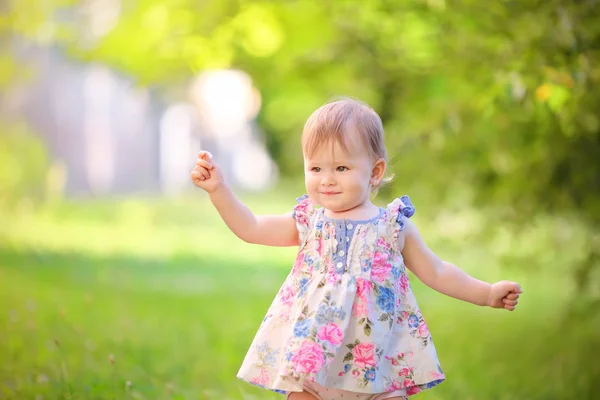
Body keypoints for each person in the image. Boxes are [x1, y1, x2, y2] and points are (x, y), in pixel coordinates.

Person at [191, 98, 523, 400]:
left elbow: (436, 271)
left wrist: (487, 293)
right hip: (314, 363)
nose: (327, 179)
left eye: (341, 168)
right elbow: (251, 228)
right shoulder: (309, 221)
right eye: (316, 168)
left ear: (375, 172)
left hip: (379, 365)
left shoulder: (394, 226)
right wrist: (218, 190)